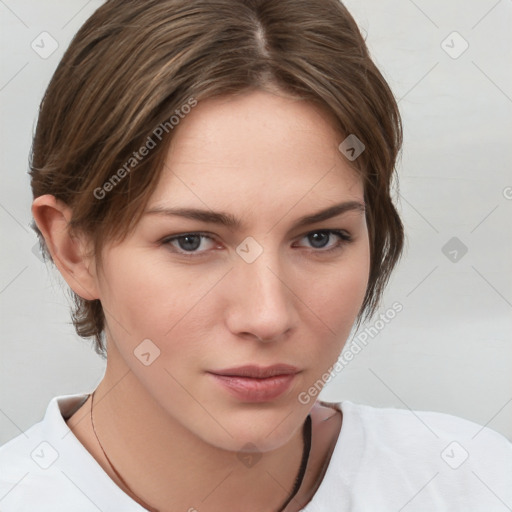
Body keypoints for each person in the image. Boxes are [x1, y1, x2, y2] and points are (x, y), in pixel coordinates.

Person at [1, 0, 511, 510]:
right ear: (74, 248)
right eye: (191, 241)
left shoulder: (472, 483)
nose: (267, 316)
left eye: (320, 238)